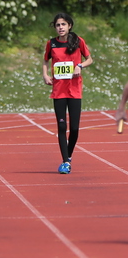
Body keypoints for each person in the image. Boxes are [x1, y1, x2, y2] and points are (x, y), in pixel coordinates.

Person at [42, 12, 93, 174]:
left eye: (63, 24)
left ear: (69, 26)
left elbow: (89, 59)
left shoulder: (78, 41)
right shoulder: (51, 44)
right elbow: (45, 60)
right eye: (58, 25)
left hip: (75, 90)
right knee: (62, 126)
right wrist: (45, 75)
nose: (60, 27)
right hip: (59, 91)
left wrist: (80, 66)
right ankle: (65, 161)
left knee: (75, 129)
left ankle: (68, 156)